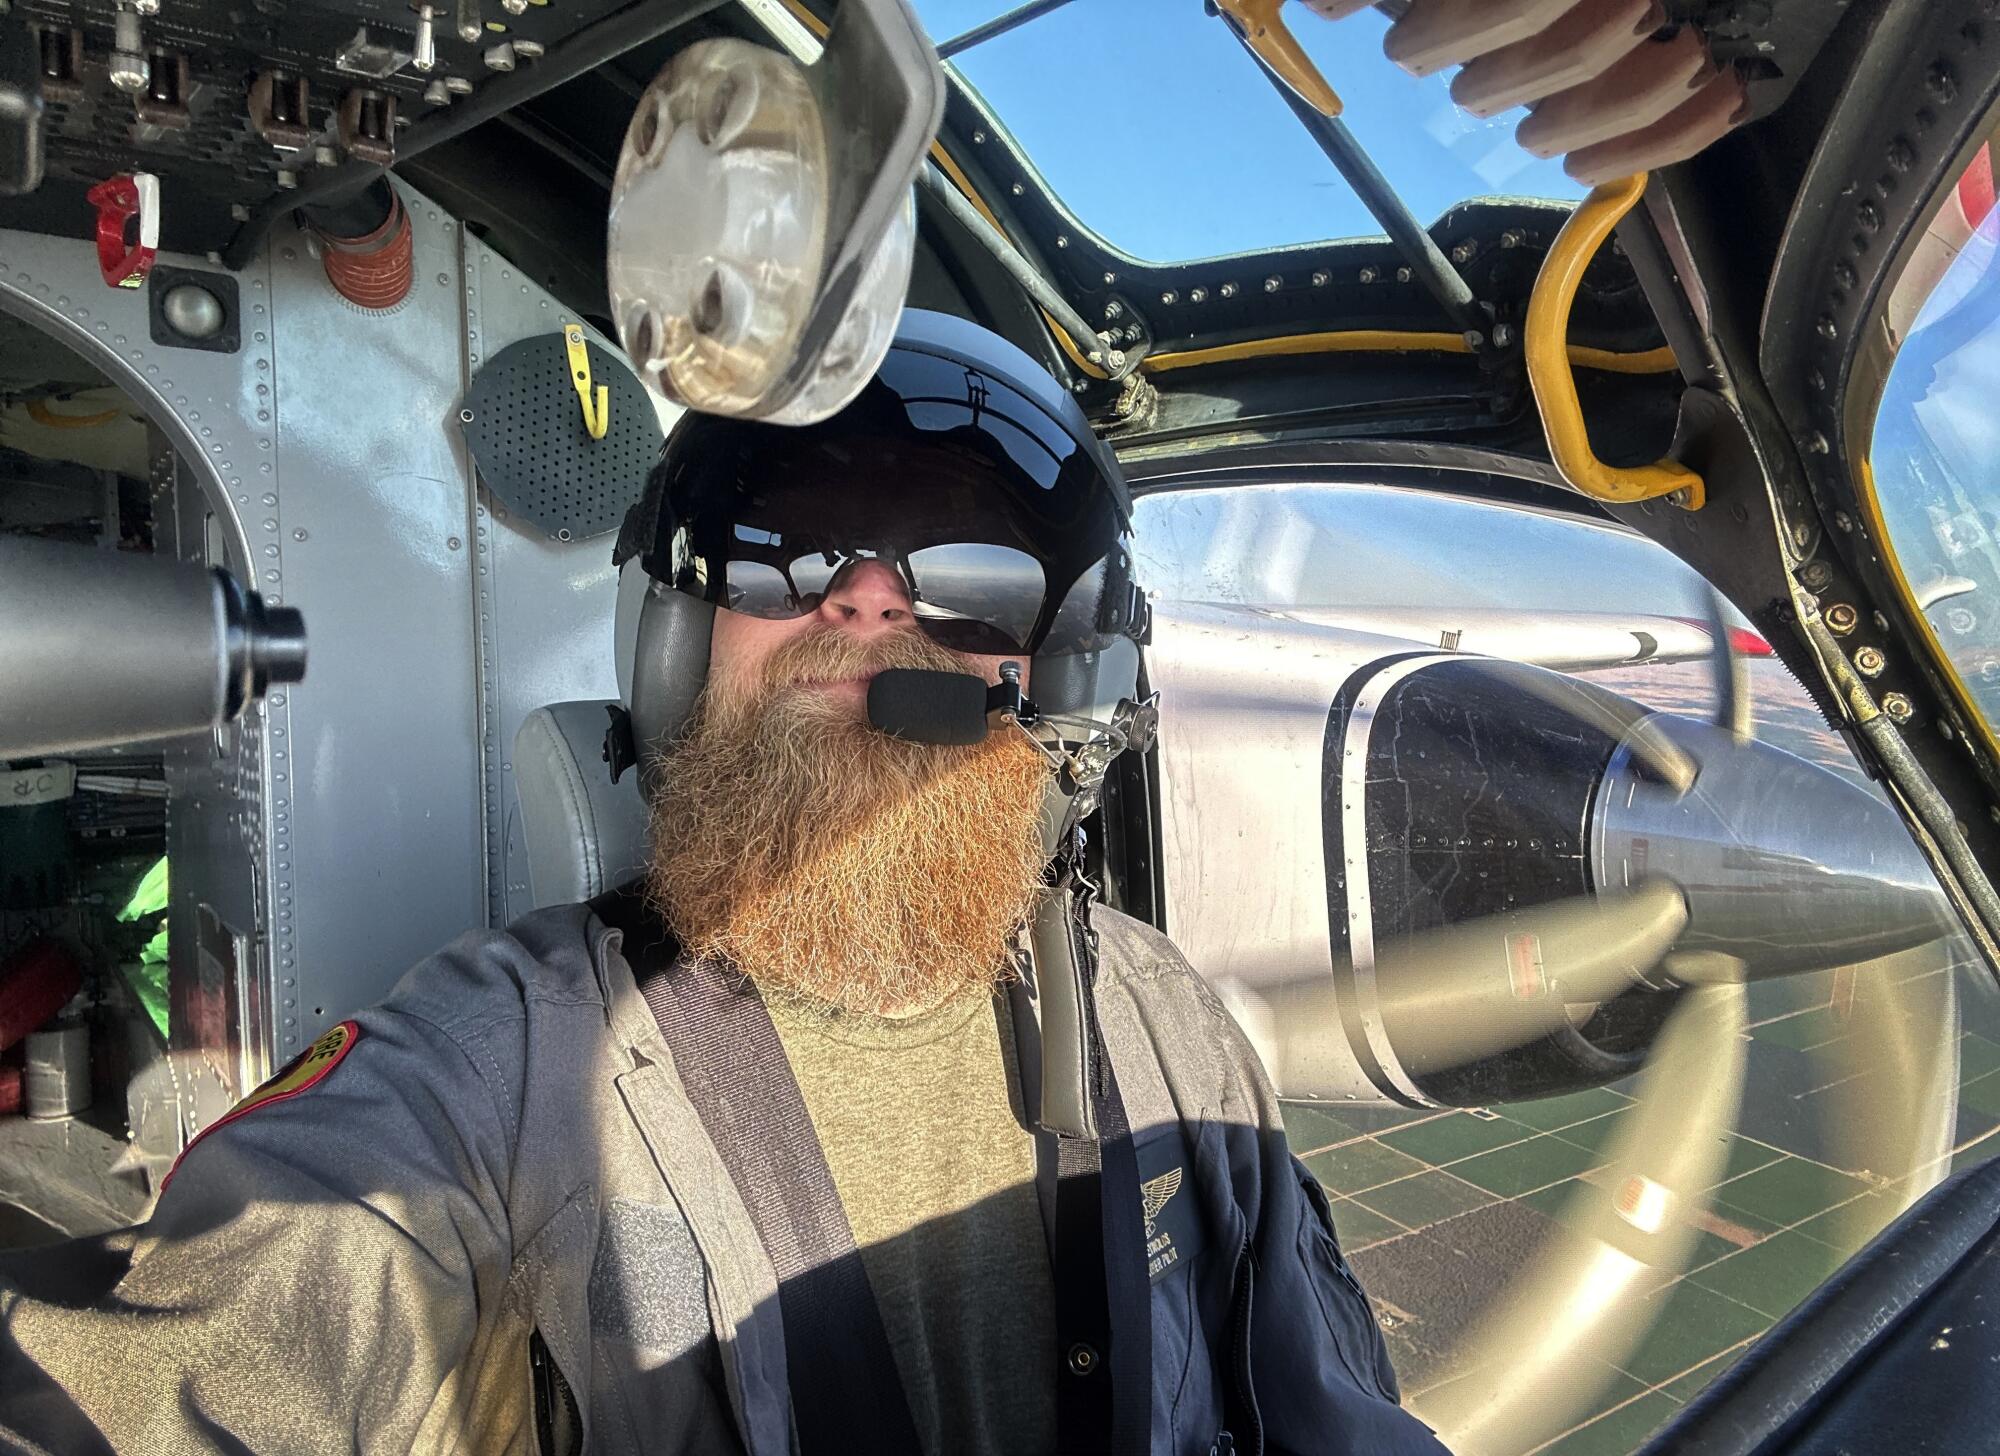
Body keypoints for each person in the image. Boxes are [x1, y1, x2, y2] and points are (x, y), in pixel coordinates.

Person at [0, 311, 1448, 1456]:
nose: (866, 603)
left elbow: (1329, 1413)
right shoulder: (496, 1075)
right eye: (779, 558)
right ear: (678, 652)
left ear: (1065, 685)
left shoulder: (1166, 1024)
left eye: (976, 580)